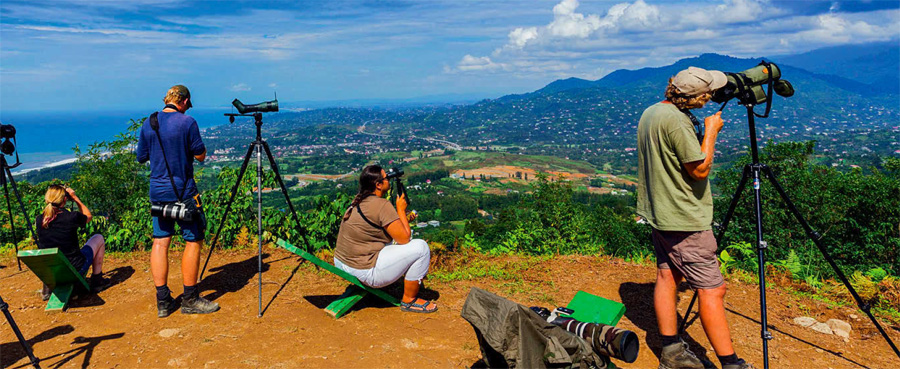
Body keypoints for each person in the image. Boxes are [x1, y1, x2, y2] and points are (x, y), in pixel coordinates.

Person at [636, 67, 754, 369]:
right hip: (684, 219)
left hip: (660, 212)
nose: (711, 96)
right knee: (713, 289)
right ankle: (731, 363)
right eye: (708, 93)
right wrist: (711, 131)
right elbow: (699, 169)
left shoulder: (653, 112)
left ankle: (672, 350)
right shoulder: (677, 122)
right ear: (698, 96)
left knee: (667, 276)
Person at [136, 84, 219, 317]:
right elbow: (200, 155)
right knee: (193, 241)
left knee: (161, 243)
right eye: (187, 105)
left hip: (157, 193)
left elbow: (142, 157)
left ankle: (163, 301)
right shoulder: (187, 122)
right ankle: (190, 299)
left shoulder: (149, 122)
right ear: (183, 101)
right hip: (183, 193)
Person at [333, 165, 437, 313]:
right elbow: (405, 239)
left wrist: (402, 218)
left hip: (342, 263)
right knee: (421, 248)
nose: (389, 178)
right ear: (378, 184)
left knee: (395, 242)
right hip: (362, 270)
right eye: (386, 177)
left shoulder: (359, 201)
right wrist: (400, 210)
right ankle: (409, 300)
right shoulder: (382, 205)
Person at [35, 185, 110, 294]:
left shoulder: (39, 220)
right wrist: (75, 198)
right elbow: (88, 216)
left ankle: (47, 287)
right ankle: (97, 280)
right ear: (65, 199)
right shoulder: (71, 217)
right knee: (98, 238)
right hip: (74, 267)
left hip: (53, 272)